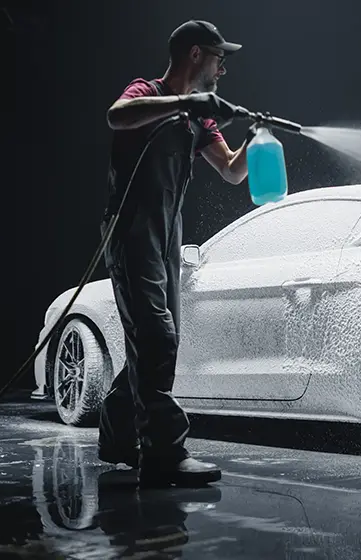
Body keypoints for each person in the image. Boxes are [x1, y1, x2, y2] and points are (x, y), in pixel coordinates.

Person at [97, 20, 253, 487]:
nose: (223, 68)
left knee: (160, 341)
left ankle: (117, 434)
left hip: (166, 234)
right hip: (131, 231)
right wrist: (188, 101)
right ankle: (164, 453)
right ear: (194, 54)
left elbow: (230, 171)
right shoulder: (148, 91)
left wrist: (255, 139)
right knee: (157, 338)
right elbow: (116, 116)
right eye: (218, 57)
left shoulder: (201, 120)